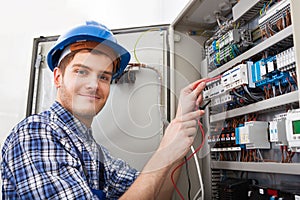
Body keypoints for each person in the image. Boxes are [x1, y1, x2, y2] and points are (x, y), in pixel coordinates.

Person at [1, 21, 206, 199]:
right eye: (81, 71)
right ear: (57, 77)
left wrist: (179, 137)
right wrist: (164, 151)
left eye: (104, 77)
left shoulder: (96, 153)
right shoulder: (35, 133)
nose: (93, 85)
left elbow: (155, 194)